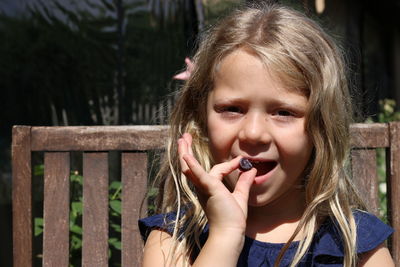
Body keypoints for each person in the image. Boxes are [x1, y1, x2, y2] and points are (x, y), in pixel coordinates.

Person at [139, 3, 395, 267]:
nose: (253, 133)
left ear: (322, 125)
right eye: (232, 109)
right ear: (202, 117)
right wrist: (224, 237)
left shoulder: (356, 246)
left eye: (283, 112)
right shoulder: (172, 243)